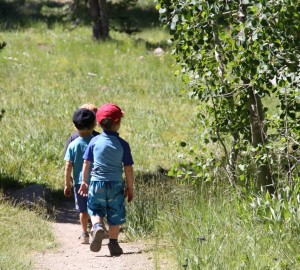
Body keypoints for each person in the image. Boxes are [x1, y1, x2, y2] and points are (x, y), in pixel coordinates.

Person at [78, 103, 134, 256]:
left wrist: (84, 182)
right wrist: (130, 188)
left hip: (96, 183)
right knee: (115, 214)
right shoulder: (123, 144)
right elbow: (128, 169)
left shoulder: (94, 142)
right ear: (118, 123)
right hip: (116, 184)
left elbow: (86, 163)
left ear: (99, 122)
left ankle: (97, 227)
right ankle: (114, 244)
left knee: (96, 209)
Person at [64, 108, 97, 244]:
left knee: (83, 211)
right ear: (94, 124)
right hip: (96, 181)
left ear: (74, 125)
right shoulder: (97, 142)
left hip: (79, 183)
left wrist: (67, 184)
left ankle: (84, 234)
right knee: (95, 208)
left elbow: (68, 167)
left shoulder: (73, 144)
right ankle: (97, 228)